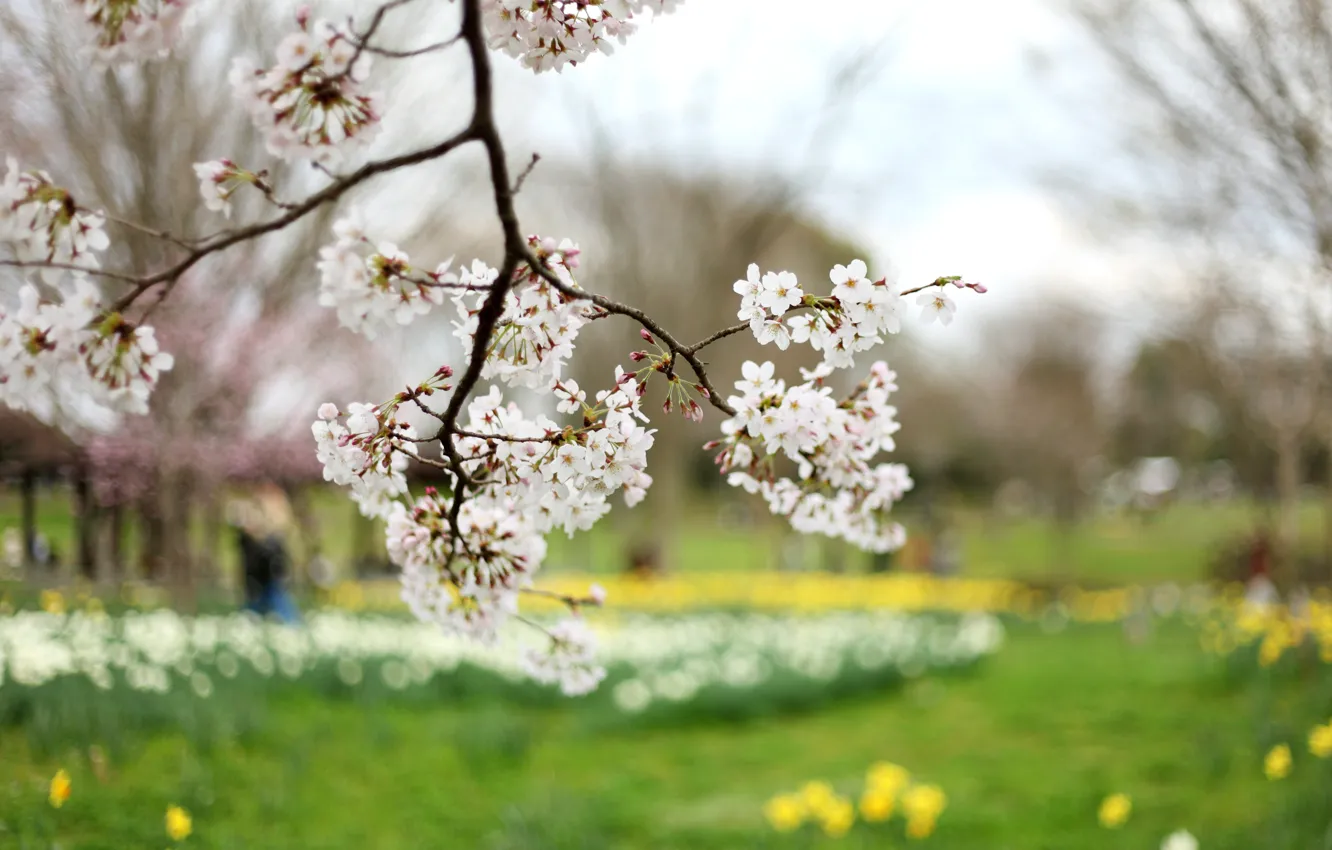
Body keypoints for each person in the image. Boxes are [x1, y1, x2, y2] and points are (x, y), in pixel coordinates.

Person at [228, 484, 300, 623]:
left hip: (271, 577)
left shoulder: (273, 535)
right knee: (256, 608)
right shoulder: (249, 535)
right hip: (256, 579)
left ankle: (291, 625)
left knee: (278, 604)